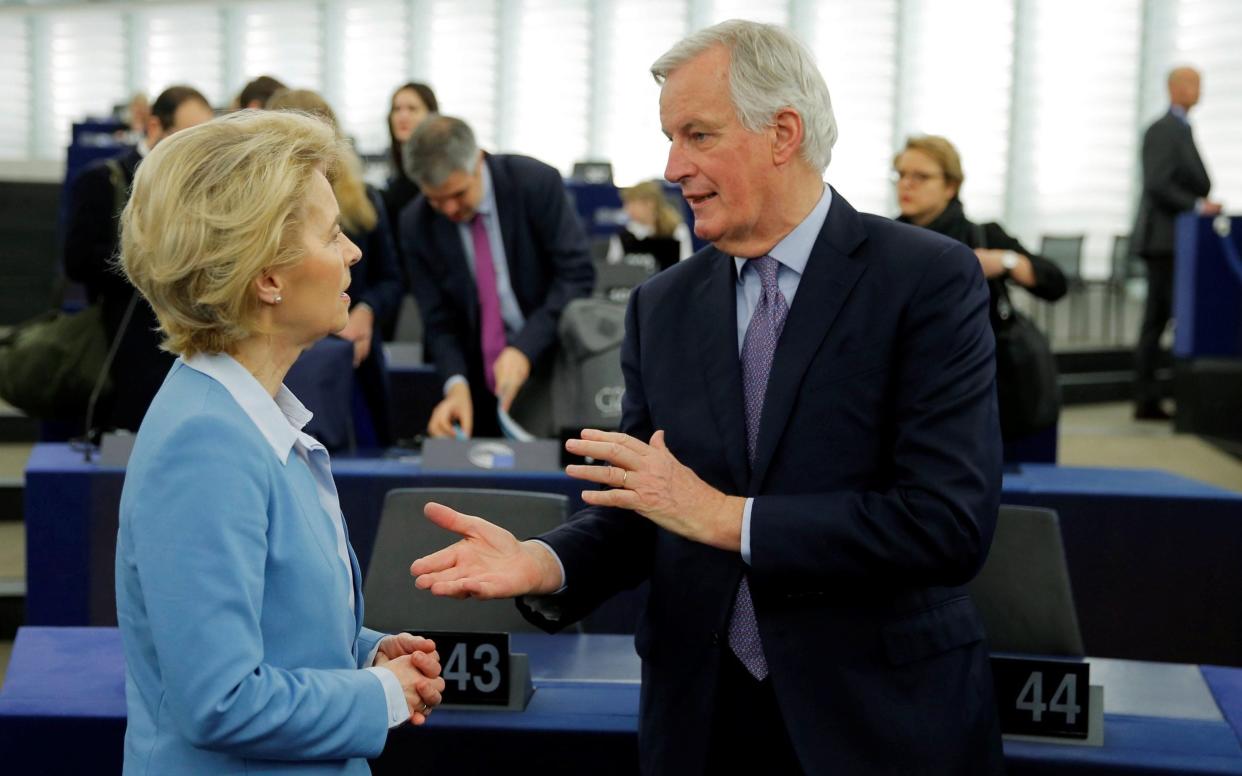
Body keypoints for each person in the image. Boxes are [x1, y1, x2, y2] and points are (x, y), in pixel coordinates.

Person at [409, 20, 1003, 775]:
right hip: (700, 724)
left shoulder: (925, 280)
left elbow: (946, 522)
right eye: (669, 137)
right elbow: (642, 510)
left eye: (696, 135)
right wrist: (544, 563)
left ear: (782, 133)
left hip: (877, 721)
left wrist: (726, 518)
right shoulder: (661, 307)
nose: (671, 166)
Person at [114, 110, 445, 774]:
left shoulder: (244, 416)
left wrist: (365, 652)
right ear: (268, 277)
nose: (353, 251)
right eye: (331, 234)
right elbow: (222, 700)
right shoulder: (207, 442)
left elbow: (276, 630)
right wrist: (381, 694)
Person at [400, 114, 594, 438]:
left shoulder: (534, 183)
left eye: (458, 195)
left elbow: (576, 277)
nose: (449, 209)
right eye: (436, 200)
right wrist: (455, 384)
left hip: (552, 364)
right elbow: (438, 321)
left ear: (478, 160)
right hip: (478, 384)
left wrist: (524, 347)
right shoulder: (415, 224)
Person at [893, 134, 1067, 440]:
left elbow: (1054, 283)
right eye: (902, 175)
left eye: (920, 177)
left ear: (951, 186)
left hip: (972, 390)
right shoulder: (885, 239)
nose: (906, 184)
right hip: (902, 389)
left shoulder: (981, 236)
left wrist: (1005, 261)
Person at [63, 85, 214, 433]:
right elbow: (78, 260)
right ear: (154, 128)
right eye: (186, 136)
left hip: (190, 350)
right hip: (122, 348)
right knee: (122, 467)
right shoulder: (104, 180)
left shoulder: (207, 191)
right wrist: (155, 263)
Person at [267, 88, 404, 446]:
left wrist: (366, 312)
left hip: (355, 360)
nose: (350, 252)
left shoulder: (366, 201)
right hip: (290, 362)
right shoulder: (264, 216)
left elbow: (391, 279)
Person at [1131, 66, 1222, 421]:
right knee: (1156, 321)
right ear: (1174, 88)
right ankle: (1146, 398)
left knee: (1159, 319)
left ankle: (1151, 397)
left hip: (1178, 239)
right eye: (1193, 83)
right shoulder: (1163, 129)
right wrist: (1198, 206)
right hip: (1164, 241)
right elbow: (1157, 183)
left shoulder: (1182, 128)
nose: (1199, 90)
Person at [382, 82, 439, 240]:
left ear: (431, 115)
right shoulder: (395, 178)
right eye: (397, 109)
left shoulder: (439, 176)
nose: (402, 116)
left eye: (412, 109)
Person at [605, 179, 694, 272]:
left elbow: (686, 266)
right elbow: (612, 271)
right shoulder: (622, 235)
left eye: (632, 203)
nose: (627, 209)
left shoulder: (677, 230)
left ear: (650, 204)